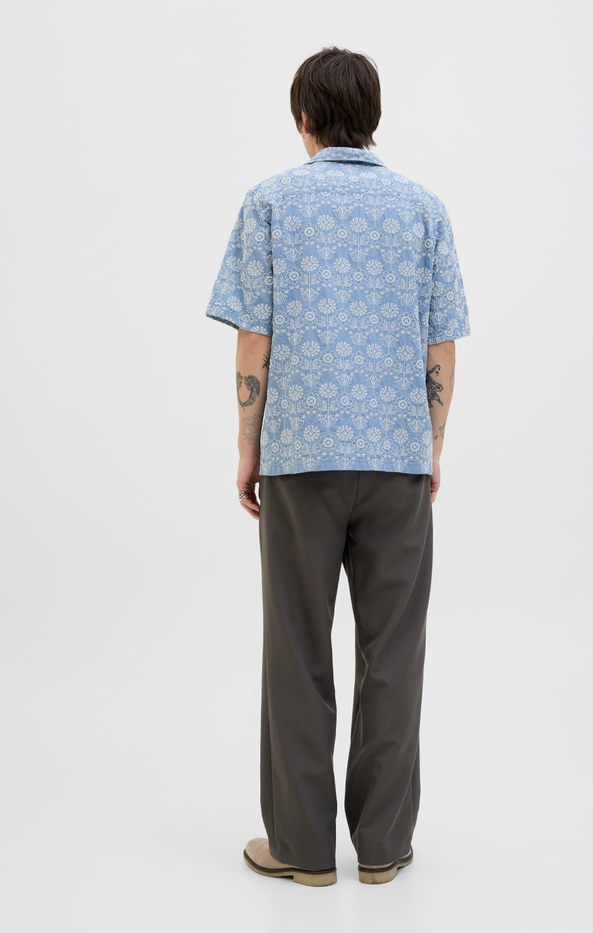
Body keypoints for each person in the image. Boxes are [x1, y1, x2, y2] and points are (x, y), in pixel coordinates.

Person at [205, 46, 471, 886]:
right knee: (394, 653)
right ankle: (383, 846)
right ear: (374, 117)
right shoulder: (423, 209)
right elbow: (441, 345)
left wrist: (247, 445)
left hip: (301, 455)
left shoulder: (270, 202)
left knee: (296, 648)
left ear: (305, 118)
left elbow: (254, 338)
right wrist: (431, 443)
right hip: (396, 459)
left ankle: (301, 847)